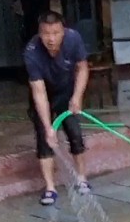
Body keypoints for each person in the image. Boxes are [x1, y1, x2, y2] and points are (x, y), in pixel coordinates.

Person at [23, 11, 91, 206]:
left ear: (64, 31)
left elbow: (83, 68)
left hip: (67, 92)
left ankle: (82, 178)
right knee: (45, 139)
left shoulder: (73, 39)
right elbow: (38, 91)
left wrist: (77, 97)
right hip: (44, 92)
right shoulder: (31, 51)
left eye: (56, 33)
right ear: (39, 33)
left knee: (75, 134)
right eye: (46, 33)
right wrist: (48, 126)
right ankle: (50, 188)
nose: (51, 39)